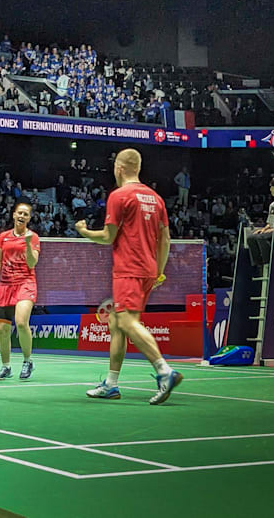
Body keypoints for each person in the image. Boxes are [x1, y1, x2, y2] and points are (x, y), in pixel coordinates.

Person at [75, 148, 182, 405]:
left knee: (125, 321)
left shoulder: (119, 195)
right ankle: (111, 384)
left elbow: (108, 237)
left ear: (119, 169)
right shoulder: (156, 198)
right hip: (148, 269)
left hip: (128, 269)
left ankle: (164, 371)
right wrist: (159, 270)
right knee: (116, 322)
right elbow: (165, 238)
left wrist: (85, 231)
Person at [0, 201, 40, 380]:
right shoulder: (4, 237)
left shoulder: (34, 237)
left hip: (25, 283)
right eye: (19, 213)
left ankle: (27, 361)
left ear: (29, 218)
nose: (22, 216)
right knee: (3, 329)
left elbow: (32, 263)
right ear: (14, 215)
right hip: (6, 285)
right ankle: (6, 366)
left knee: (21, 322)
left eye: (25, 214)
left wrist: (29, 245)